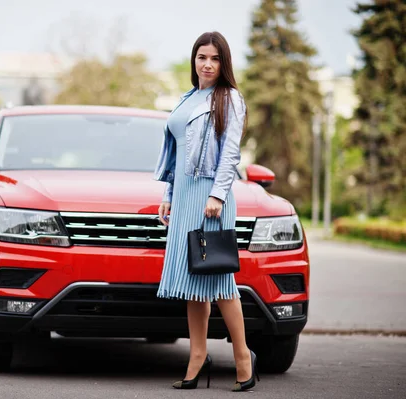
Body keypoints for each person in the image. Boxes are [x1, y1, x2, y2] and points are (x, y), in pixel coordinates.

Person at [154, 31, 258, 392]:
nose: (207, 64)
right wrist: (169, 193)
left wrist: (216, 195)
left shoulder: (229, 99)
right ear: (194, 60)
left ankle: (243, 358)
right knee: (192, 281)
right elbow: (178, 152)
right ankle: (197, 356)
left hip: (211, 197)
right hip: (184, 195)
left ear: (223, 62)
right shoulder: (188, 99)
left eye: (214, 58)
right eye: (202, 57)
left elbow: (230, 153)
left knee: (218, 278)